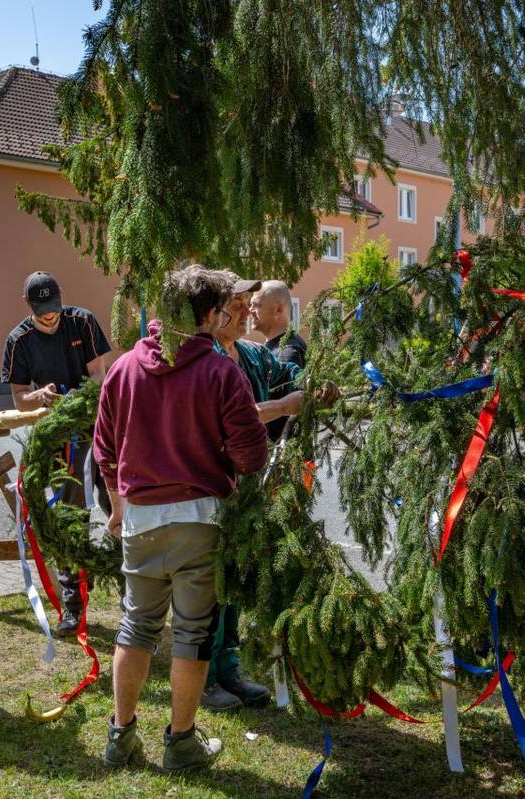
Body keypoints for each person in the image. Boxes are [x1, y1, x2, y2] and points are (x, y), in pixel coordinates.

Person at [94, 265, 268, 772]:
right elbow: (251, 454)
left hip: (140, 518)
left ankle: (120, 734)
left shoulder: (123, 368)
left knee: (136, 626)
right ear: (209, 315)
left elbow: (104, 447)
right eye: (222, 312)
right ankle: (181, 741)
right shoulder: (219, 371)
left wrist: (117, 502)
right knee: (192, 633)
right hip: (198, 516)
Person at [200, 275, 307, 712]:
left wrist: (315, 383)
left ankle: (229, 668)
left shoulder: (252, 354)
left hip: (247, 491)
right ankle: (202, 677)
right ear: (213, 312)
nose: (247, 312)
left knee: (235, 582)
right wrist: (283, 407)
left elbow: (289, 373)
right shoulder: (201, 360)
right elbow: (233, 417)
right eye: (238, 304)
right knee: (206, 586)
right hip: (210, 489)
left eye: (249, 304)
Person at [2, 271, 112, 635]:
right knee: (67, 510)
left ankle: (121, 570)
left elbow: (99, 374)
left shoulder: (83, 321)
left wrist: (79, 398)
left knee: (112, 500)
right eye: (42, 310)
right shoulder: (18, 340)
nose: (50, 316)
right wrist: (38, 396)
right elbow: (19, 398)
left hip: (97, 428)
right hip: (57, 438)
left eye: (54, 308)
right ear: (28, 306)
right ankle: (72, 602)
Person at [250, 280, 307, 440]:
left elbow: (287, 416)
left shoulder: (286, 353)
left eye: (256, 305)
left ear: (278, 309)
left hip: (282, 456)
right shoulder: (276, 347)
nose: (250, 310)